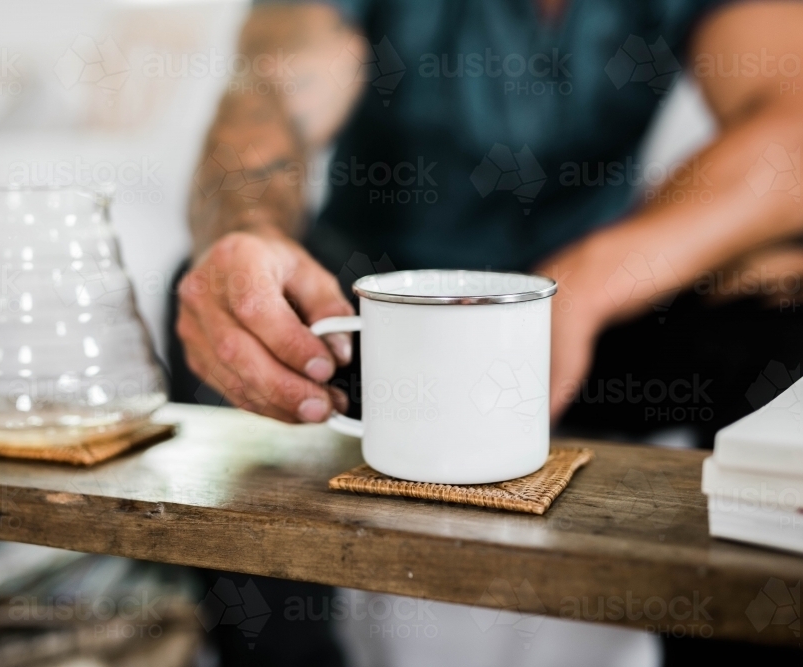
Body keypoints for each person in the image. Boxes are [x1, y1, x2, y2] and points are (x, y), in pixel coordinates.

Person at [166, 0, 803, 664]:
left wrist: (587, 282)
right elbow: (269, 93)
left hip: (587, 327)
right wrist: (249, 230)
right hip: (372, 337)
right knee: (231, 285)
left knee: (786, 301)